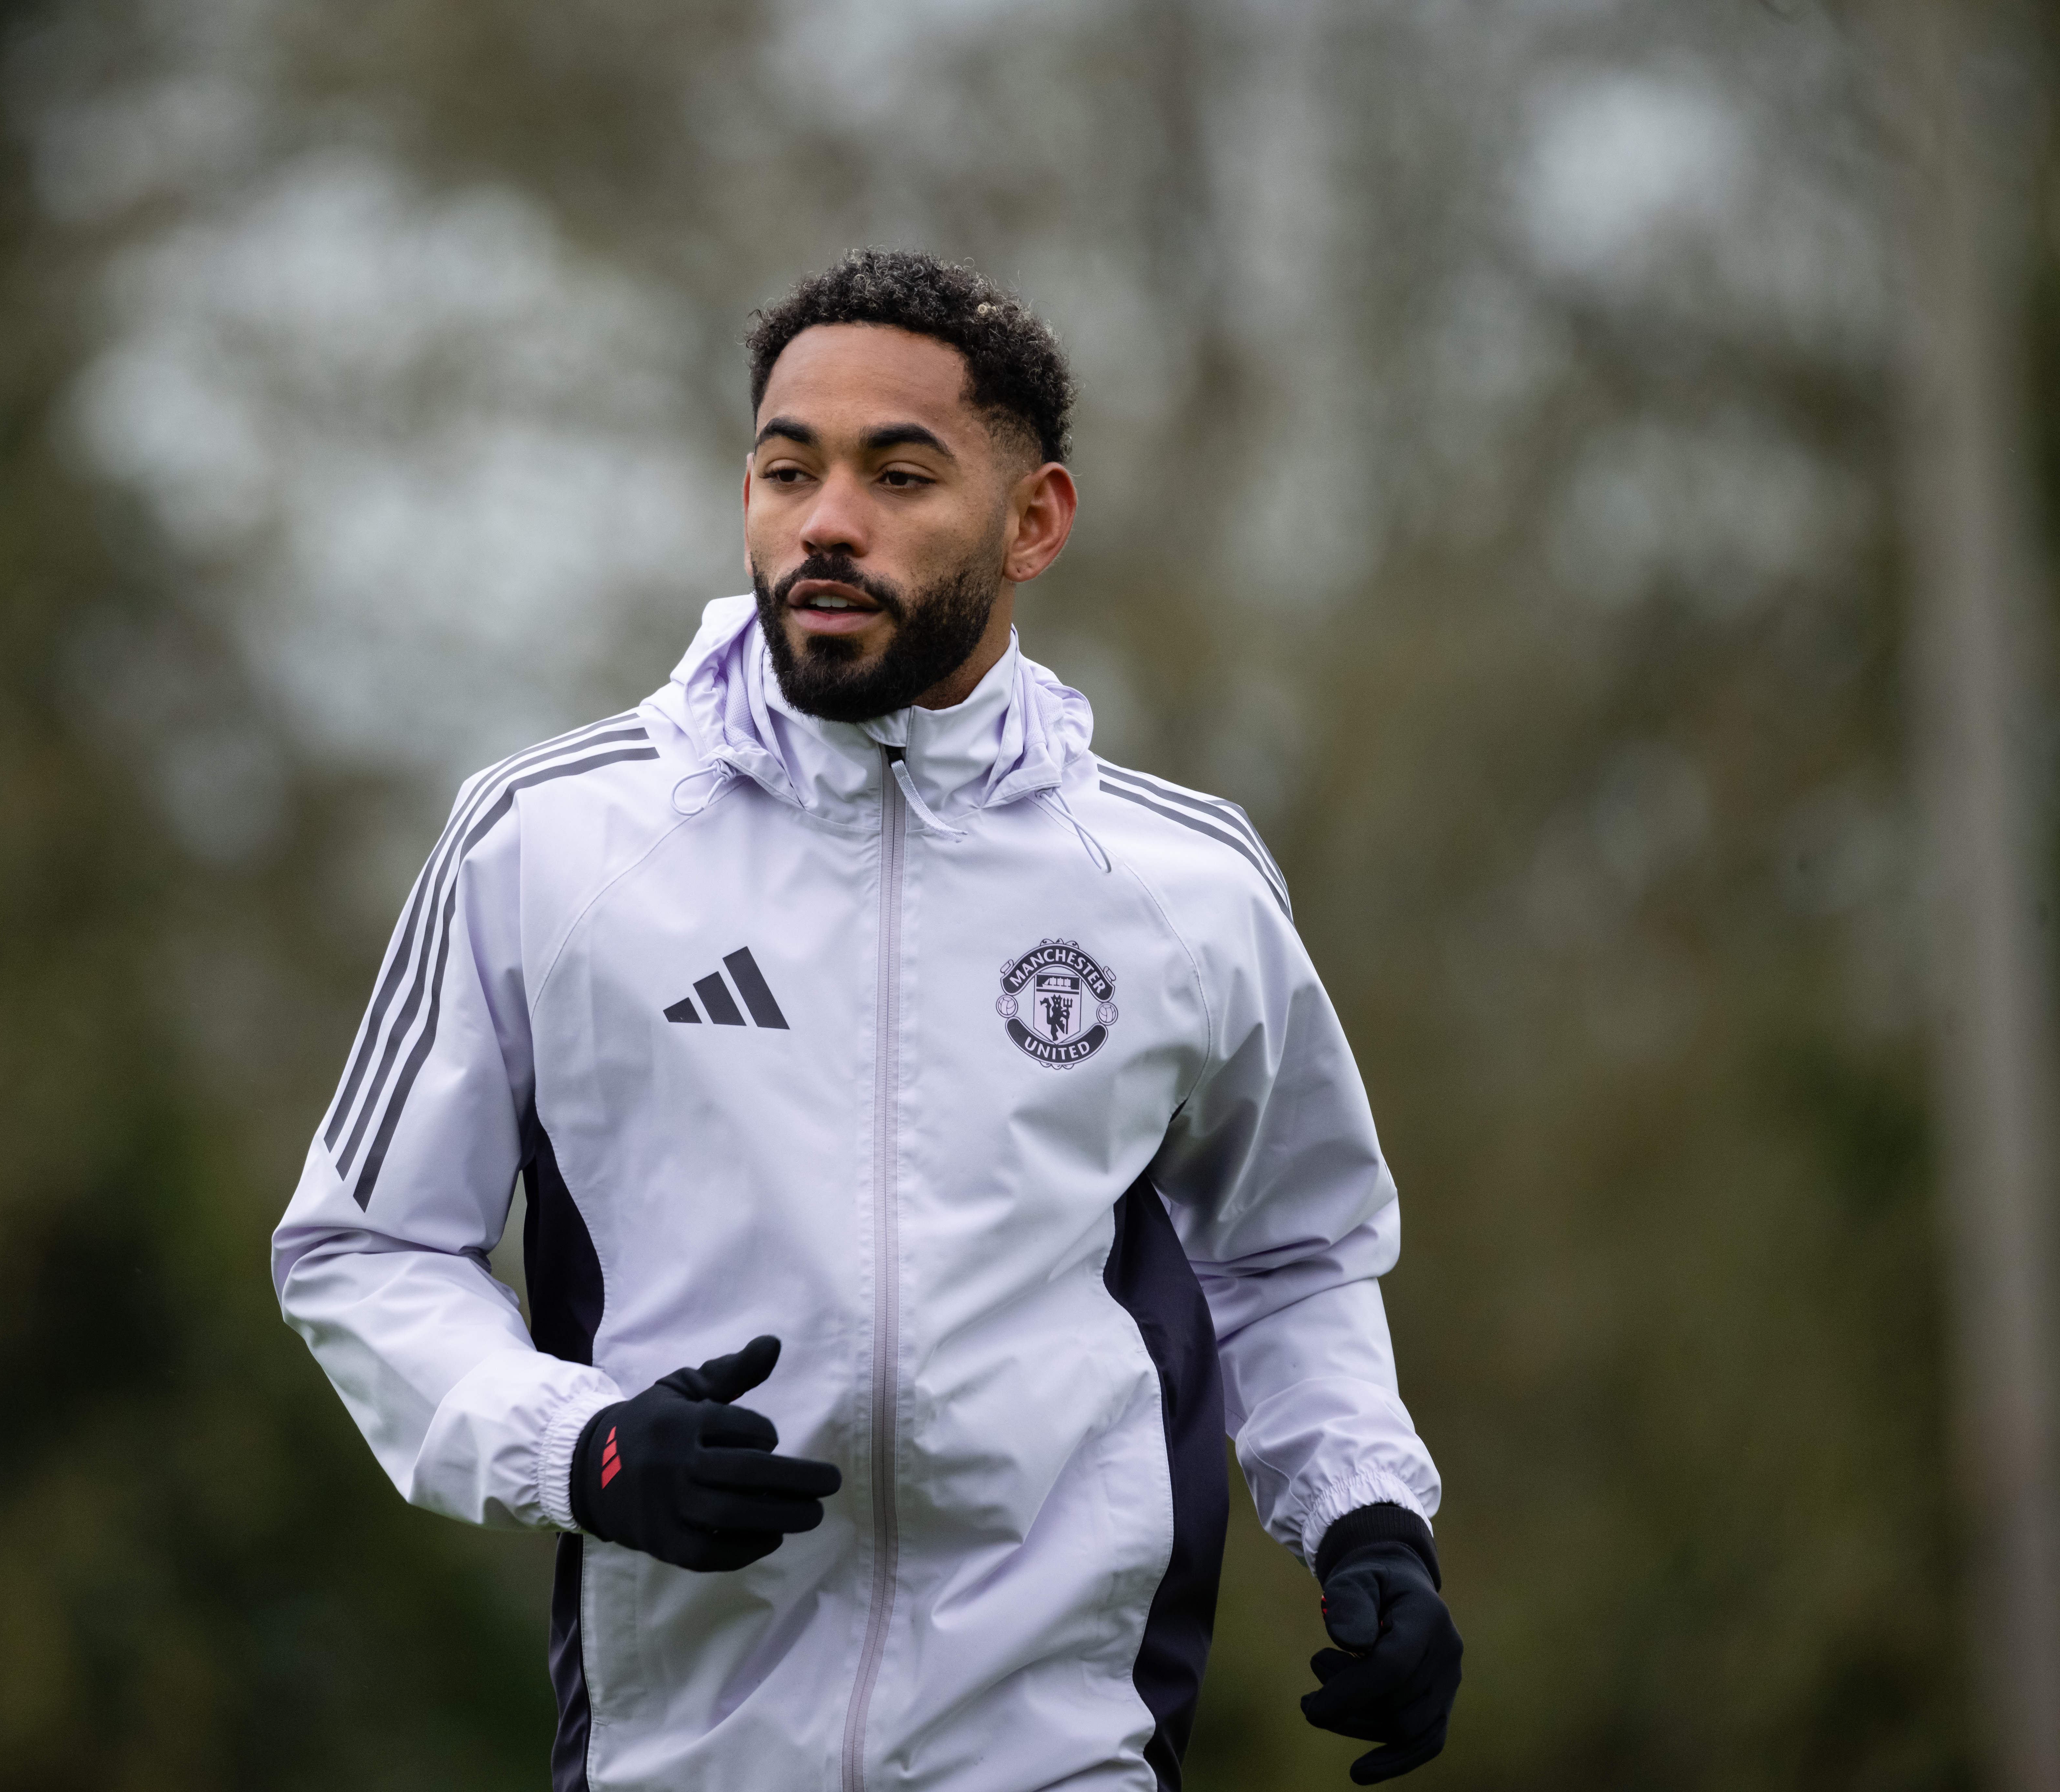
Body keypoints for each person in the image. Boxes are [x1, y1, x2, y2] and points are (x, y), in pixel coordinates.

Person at [271, 248, 1461, 1791]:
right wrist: (582, 1443)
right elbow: (359, 1247)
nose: (828, 521)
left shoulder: (1183, 882)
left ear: (1035, 522)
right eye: (789, 469)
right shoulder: (545, 841)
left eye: (901, 474)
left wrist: (1370, 1515)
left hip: (1065, 1751)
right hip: (678, 1755)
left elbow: (1293, 1253)